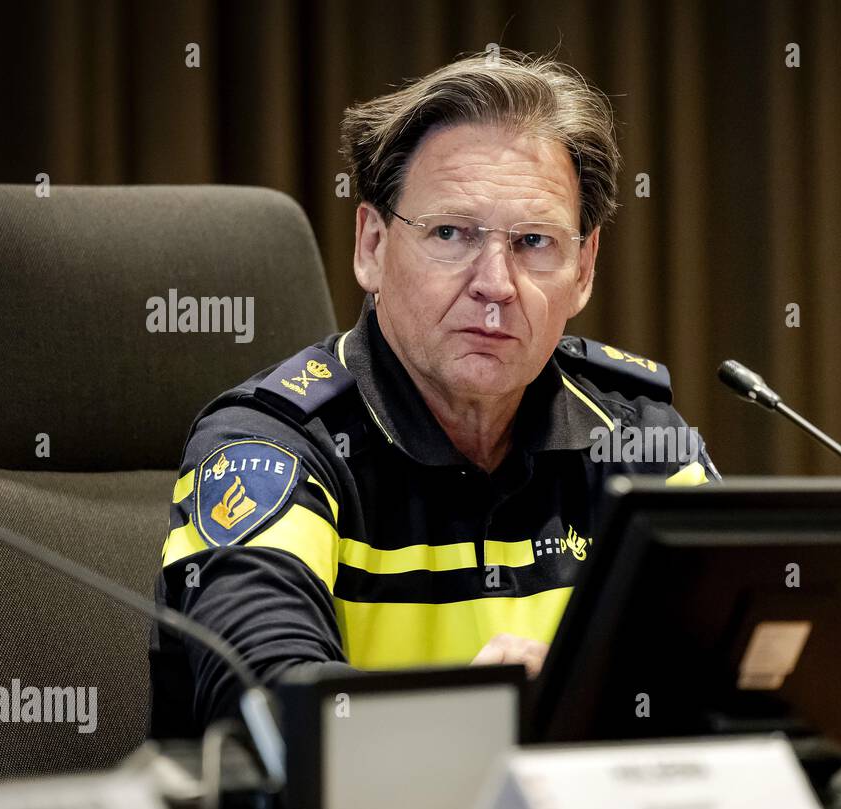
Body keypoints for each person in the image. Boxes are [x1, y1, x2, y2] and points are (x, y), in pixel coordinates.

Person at [149, 50, 717, 738]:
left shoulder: (639, 438)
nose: (496, 284)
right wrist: (468, 719)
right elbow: (265, 710)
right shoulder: (272, 446)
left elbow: (739, 682)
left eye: (534, 242)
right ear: (373, 246)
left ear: (584, 269)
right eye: (452, 233)